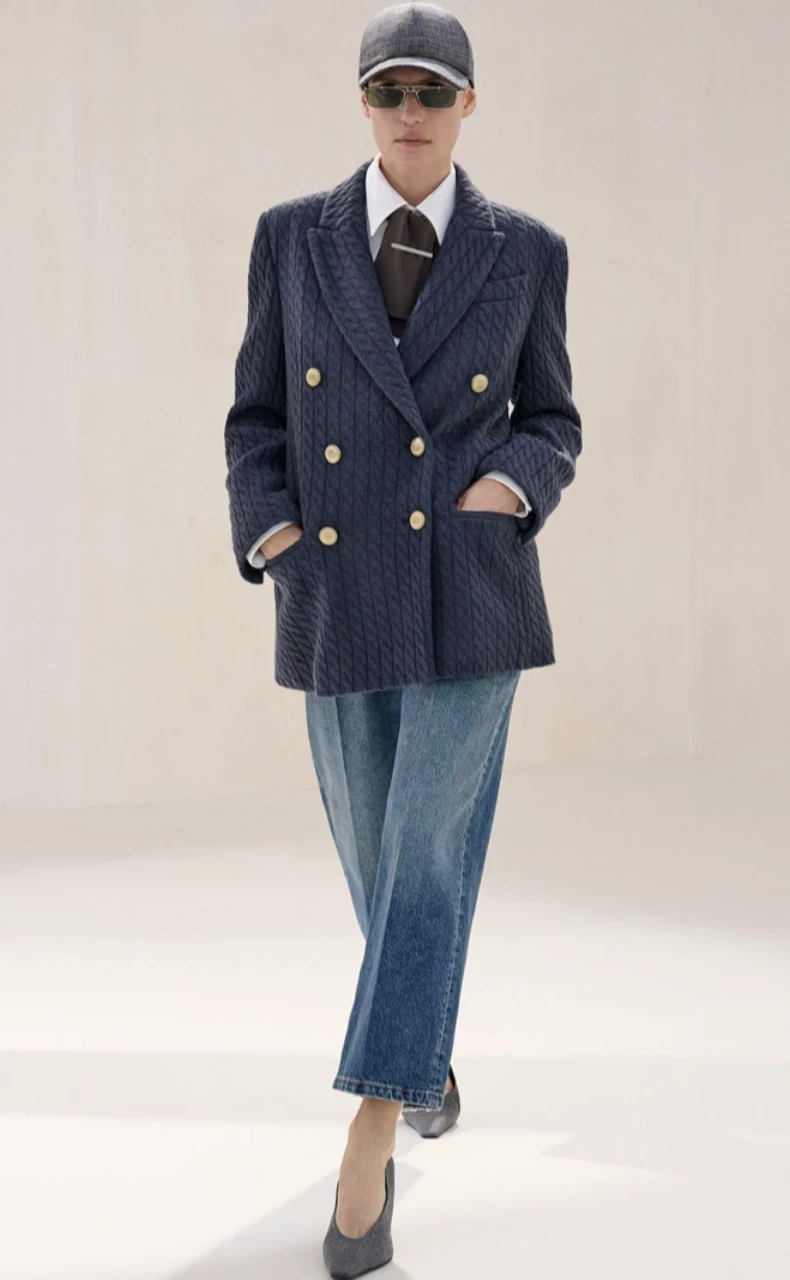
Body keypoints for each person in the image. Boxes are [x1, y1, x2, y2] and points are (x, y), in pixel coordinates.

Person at [223, 3, 582, 1273]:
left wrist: (509, 487)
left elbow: (552, 417)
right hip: (334, 589)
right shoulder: (291, 238)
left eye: (434, 91)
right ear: (364, 104)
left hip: (471, 595)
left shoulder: (525, 251)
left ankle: (369, 1137)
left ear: (468, 104)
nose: (412, 112)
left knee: (423, 858)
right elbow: (255, 416)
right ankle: (420, 1049)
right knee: (379, 862)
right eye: (391, 91)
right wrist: (271, 530)